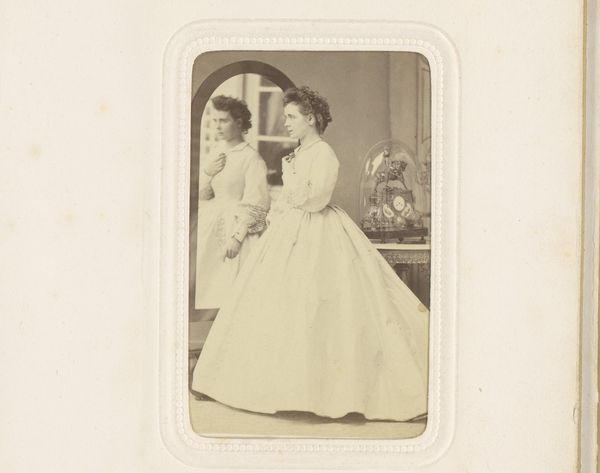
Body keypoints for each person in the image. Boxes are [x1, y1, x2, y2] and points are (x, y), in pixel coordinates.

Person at [192, 86, 428, 422]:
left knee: (323, 302)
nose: (286, 123)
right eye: (285, 117)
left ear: (311, 119)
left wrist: (290, 189)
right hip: (289, 229)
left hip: (319, 230)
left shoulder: (324, 153)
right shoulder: (298, 154)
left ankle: (325, 393)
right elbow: (286, 200)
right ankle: (277, 387)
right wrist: (282, 203)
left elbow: (316, 199)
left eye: (291, 117)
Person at [194, 95, 270, 318]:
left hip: (236, 228)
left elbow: (257, 202)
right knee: (203, 283)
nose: (217, 126)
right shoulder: (215, 153)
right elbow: (203, 195)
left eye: (224, 121)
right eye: (215, 121)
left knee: (230, 292)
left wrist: (237, 237)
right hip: (210, 222)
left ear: (239, 122)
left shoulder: (251, 158)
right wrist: (207, 173)